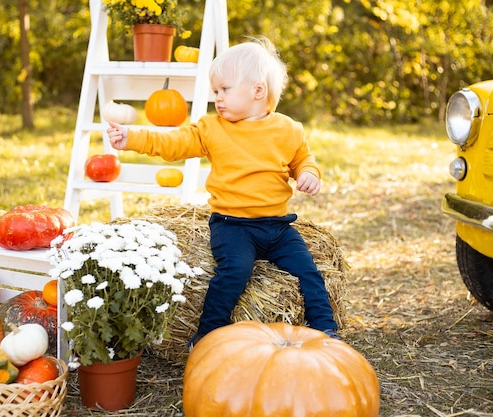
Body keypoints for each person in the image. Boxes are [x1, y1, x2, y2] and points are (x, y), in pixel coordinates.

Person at [106, 36, 339, 349]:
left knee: (309, 271)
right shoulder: (211, 128)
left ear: (257, 91)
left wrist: (308, 174)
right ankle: (207, 333)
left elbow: (302, 160)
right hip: (233, 226)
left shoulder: (288, 129)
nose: (218, 98)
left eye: (225, 90)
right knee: (233, 272)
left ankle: (326, 331)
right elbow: (173, 143)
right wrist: (132, 137)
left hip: (278, 227)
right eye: (216, 91)